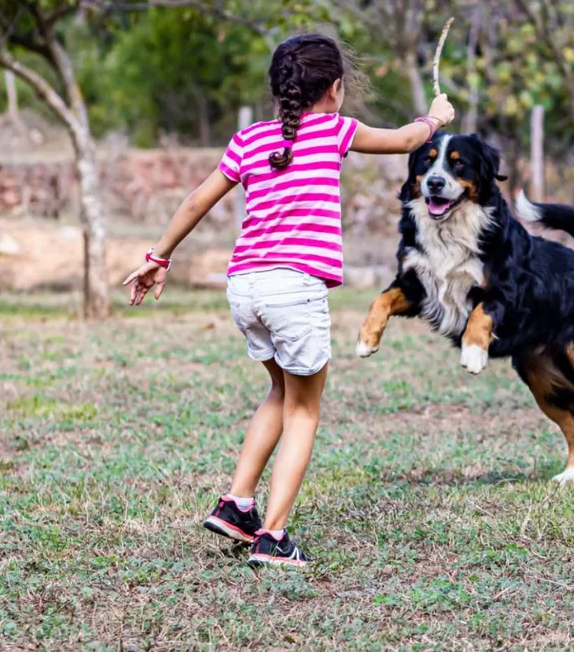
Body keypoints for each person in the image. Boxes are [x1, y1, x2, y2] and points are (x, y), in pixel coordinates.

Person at [123, 34, 455, 568]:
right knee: (304, 410)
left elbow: (195, 200)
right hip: (291, 288)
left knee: (280, 392)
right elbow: (404, 140)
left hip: (246, 287)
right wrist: (436, 117)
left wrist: (158, 257)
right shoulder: (335, 130)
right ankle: (273, 538)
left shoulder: (248, 139)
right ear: (336, 88)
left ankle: (237, 505)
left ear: (281, 90)